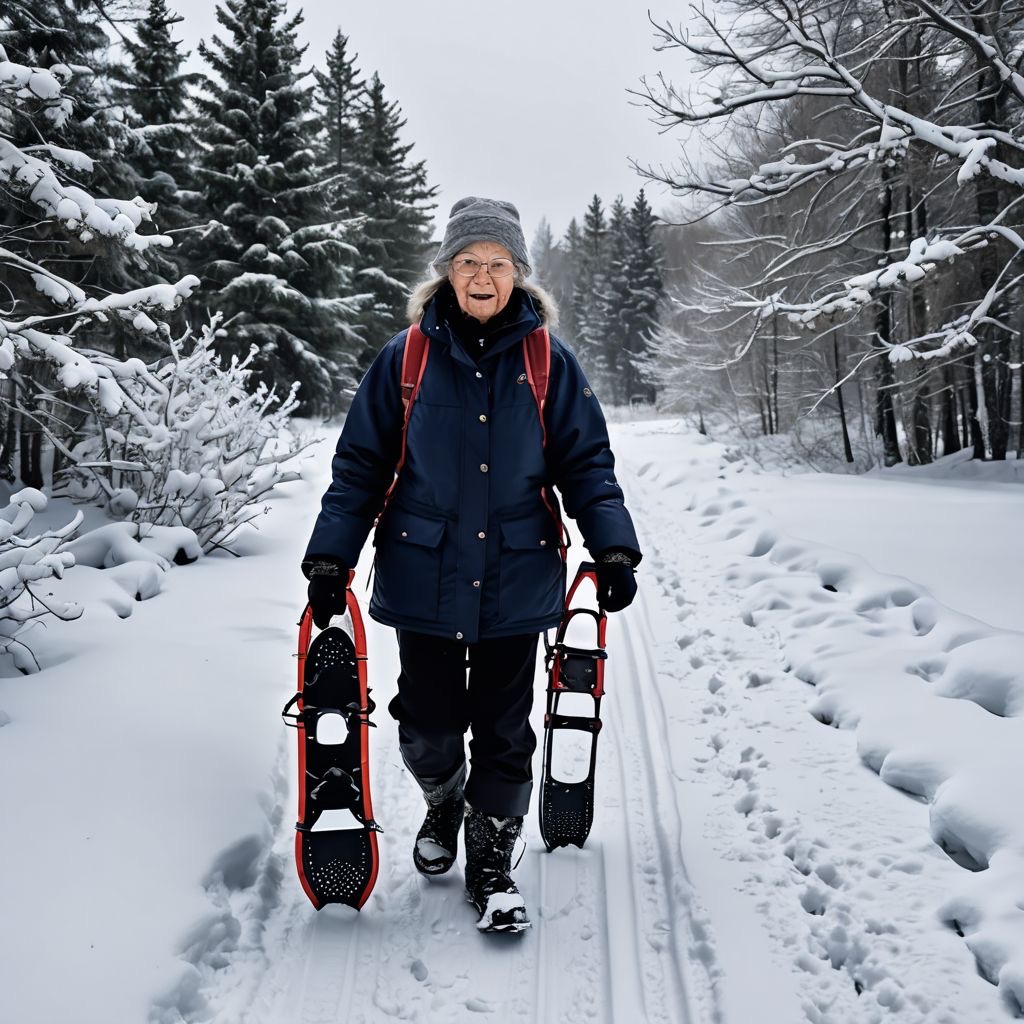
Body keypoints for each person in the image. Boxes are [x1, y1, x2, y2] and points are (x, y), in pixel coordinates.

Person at [302, 196, 641, 932]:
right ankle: (443, 798)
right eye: (467, 263)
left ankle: (490, 861)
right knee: (425, 721)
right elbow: (360, 466)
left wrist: (611, 545)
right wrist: (331, 558)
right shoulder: (407, 357)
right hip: (423, 571)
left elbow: (587, 463)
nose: (481, 276)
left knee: (504, 725)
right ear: (446, 272)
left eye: (496, 263)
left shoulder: (548, 360)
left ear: (518, 274)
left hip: (518, 574)